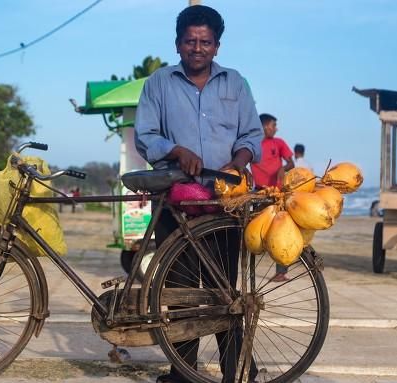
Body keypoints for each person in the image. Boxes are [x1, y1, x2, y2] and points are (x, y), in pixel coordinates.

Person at [135, 5, 263, 383]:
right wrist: (176, 150)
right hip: (174, 199)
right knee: (179, 289)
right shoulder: (158, 83)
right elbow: (145, 136)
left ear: (217, 46)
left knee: (225, 291)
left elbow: (251, 137)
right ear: (178, 44)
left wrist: (237, 164)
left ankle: (239, 370)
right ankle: (182, 372)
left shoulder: (236, 83)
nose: (197, 48)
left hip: (225, 203)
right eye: (190, 41)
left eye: (205, 42)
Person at [251, 114, 294, 282]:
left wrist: (283, 168)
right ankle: (250, 269)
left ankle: (281, 272)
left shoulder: (279, 143)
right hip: (260, 193)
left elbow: (291, 163)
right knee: (255, 232)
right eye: (273, 125)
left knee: (281, 231)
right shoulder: (253, 145)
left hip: (278, 194)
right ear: (264, 126)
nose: (276, 128)